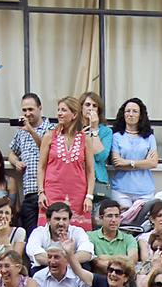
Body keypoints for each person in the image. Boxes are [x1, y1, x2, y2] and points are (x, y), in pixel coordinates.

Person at [39, 96, 94, 229]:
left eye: (63, 110)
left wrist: (89, 196)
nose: (59, 113)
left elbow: (90, 171)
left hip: (78, 195)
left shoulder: (85, 139)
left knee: (78, 235)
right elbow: (41, 167)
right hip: (52, 192)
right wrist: (41, 192)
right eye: (58, 110)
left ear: (74, 114)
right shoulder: (49, 136)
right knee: (50, 231)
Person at [8, 93, 52, 236]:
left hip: (48, 192)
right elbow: (11, 153)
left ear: (40, 108)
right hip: (29, 192)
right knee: (31, 235)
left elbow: (48, 150)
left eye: (31, 109)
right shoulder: (21, 132)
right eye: (24, 110)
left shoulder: (52, 129)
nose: (27, 114)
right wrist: (16, 162)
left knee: (48, 234)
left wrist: (31, 131)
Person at [108, 97, 158, 209]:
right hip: (121, 190)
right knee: (123, 223)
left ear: (140, 115)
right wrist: (144, 163)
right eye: (128, 111)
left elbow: (153, 163)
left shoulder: (149, 137)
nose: (131, 114)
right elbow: (117, 163)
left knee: (143, 225)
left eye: (135, 111)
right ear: (123, 114)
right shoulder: (116, 137)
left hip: (145, 191)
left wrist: (129, 163)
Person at [80, 90, 112, 205]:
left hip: (98, 181)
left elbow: (101, 156)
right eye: (87, 105)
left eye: (95, 106)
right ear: (81, 108)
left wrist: (94, 129)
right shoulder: (73, 129)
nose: (91, 108)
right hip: (77, 180)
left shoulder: (106, 131)